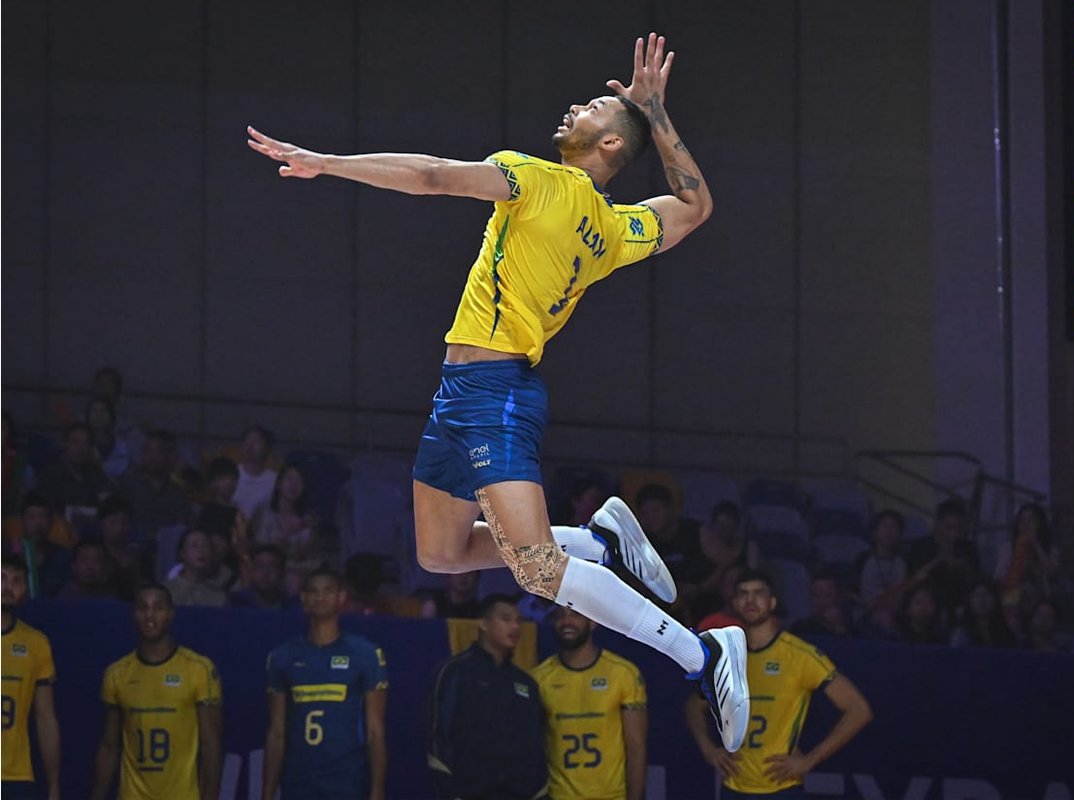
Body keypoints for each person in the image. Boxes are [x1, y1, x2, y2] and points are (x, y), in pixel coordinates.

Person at [249, 32, 749, 751]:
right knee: (442, 554)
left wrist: (328, 164)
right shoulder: (612, 228)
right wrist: (655, 114)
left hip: (498, 390)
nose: (576, 106)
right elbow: (692, 207)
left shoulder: (537, 177)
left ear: (609, 146)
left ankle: (703, 655)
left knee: (539, 570)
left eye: (595, 109)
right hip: (461, 392)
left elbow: (430, 177)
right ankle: (598, 538)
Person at [685, 570, 873, 799]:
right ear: (735, 603)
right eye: (743, 594)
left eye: (758, 593)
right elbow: (694, 706)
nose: (750, 600)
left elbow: (858, 710)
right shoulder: (727, 657)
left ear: (772, 602)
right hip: (733, 787)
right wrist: (708, 749)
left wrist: (809, 761)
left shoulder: (799, 656)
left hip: (780, 787)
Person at [263, 569, 388, 800]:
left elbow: (375, 731)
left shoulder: (365, 654)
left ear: (342, 598)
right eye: (313, 591)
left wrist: (377, 790)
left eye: (328, 591)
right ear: (303, 599)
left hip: (347, 779)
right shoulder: (282, 657)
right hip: (299, 780)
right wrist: (267, 793)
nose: (320, 597)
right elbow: (276, 732)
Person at [91, 582, 223, 800]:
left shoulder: (199, 670)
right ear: (134, 614)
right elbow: (109, 746)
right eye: (142, 608)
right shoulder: (117, 674)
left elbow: (212, 747)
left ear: (170, 614)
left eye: (158, 608)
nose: (149, 615)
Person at [427, 594, 547, 799]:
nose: (515, 627)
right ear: (483, 623)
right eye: (506, 619)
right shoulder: (454, 672)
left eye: (518, 620)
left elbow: (536, 747)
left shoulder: (526, 683)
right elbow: (439, 739)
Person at [532, 607, 647, 800]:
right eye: (560, 616)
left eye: (575, 614)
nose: (566, 622)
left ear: (593, 622)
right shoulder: (539, 678)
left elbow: (636, 746)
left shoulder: (623, 673)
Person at [1, 555, 62, 800]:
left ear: (25, 589)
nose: (8, 586)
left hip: (15, 776)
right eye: (2, 578)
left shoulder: (35, 644)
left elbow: (45, 717)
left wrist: (54, 784)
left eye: (16, 580)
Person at [993, 503, 1061, 632]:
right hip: (1012, 598)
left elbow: (1052, 573)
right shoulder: (1007, 548)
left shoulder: (1051, 550)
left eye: (1031, 520)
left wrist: (1035, 544)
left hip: (1040, 599)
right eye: (1022, 520)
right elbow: (998, 578)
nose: (1026, 524)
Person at [252, 465, 320, 595]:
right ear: (278, 484)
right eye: (289, 480)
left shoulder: (307, 520)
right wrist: (287, 533)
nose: (293, 485)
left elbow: (309, 555)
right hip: (269, 567)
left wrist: (313, 531)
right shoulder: (264, 513)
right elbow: (259, 549)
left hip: (299, 568)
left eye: (299, 482)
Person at [905, 499, 980, 615]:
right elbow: (912, 580)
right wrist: (938, 561)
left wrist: (962, 566)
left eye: (958, 528)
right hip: (927, 605)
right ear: (938, 524)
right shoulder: (921, 546)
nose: (954, 534)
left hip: (960, 606)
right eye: (949, 527)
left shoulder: (967, 548)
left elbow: (977, 580)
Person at [116, 429, 193, 543]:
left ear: (169, 456)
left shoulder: (178, 493)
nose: (152, 457)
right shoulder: (127, 485)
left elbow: (182, 528)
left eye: (159, 452)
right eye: (148, 451)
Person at [36, 423, 113, 521]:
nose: (81, 448)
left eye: (86, 443)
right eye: (75, 442)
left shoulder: (97, 473)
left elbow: (107, 504)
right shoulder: (49, 474)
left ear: (91, 448)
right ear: (65, 444)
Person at [7, 493, 72, 599]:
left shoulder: (63, 556)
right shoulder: (9, 553)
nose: (38, 523)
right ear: (22, 521)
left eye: (43, 517)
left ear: (51, 522)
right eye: (31, 517)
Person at [165, 529, 228, 608]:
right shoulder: (165, 593)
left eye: (205, 546)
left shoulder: (219, 598)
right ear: (182, 553)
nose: (201, 550)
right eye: (194, 546)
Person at [948, 580, 1017, 649]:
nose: (982, 600)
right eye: (976, 596)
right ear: (969, 601)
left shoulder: (1006, 632)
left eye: (986, 594)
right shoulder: (962, 634)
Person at [232, 425, 278, 521]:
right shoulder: (231, 474)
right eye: (247, 441)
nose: (250, 445)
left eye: (256, 442)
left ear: (267, 448)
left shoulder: (275, 481)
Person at [229, 544, 297, 609]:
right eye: (259, 566)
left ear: (282, 573)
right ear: (252, 571)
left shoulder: (293, 604)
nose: (265, 573)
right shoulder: (236, 602)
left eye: (272, 567)